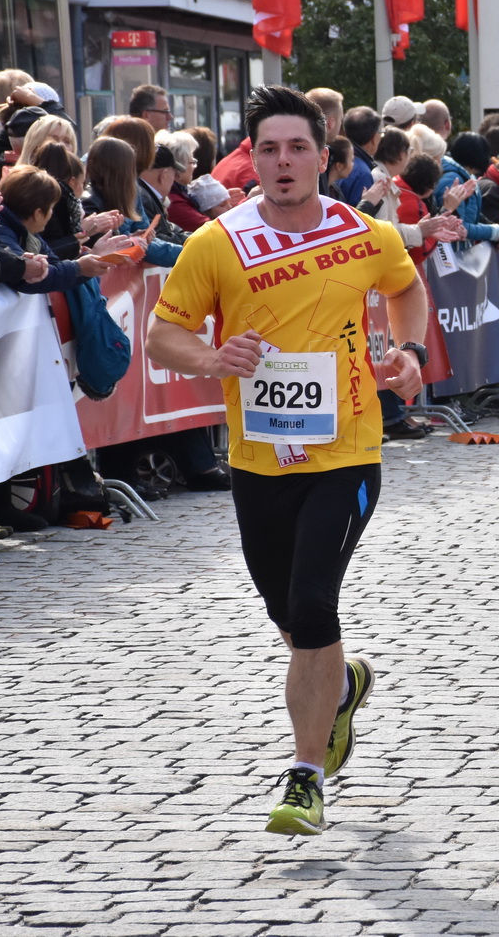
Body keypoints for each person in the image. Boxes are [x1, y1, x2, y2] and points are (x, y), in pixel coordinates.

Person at [144, 85, 429, 836]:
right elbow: (162, 337)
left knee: (310, 604)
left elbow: (407, 290)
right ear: (253, 158)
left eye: (297, 147)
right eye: (268, 148)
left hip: (347, 451)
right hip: (258, 460)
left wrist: (410, 352)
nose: (282, 161)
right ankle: (341, 686)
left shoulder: (366, 235)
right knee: (290, 617)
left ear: (323, 157)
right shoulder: (218, 242)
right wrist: (213, 357)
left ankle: (305, 775)